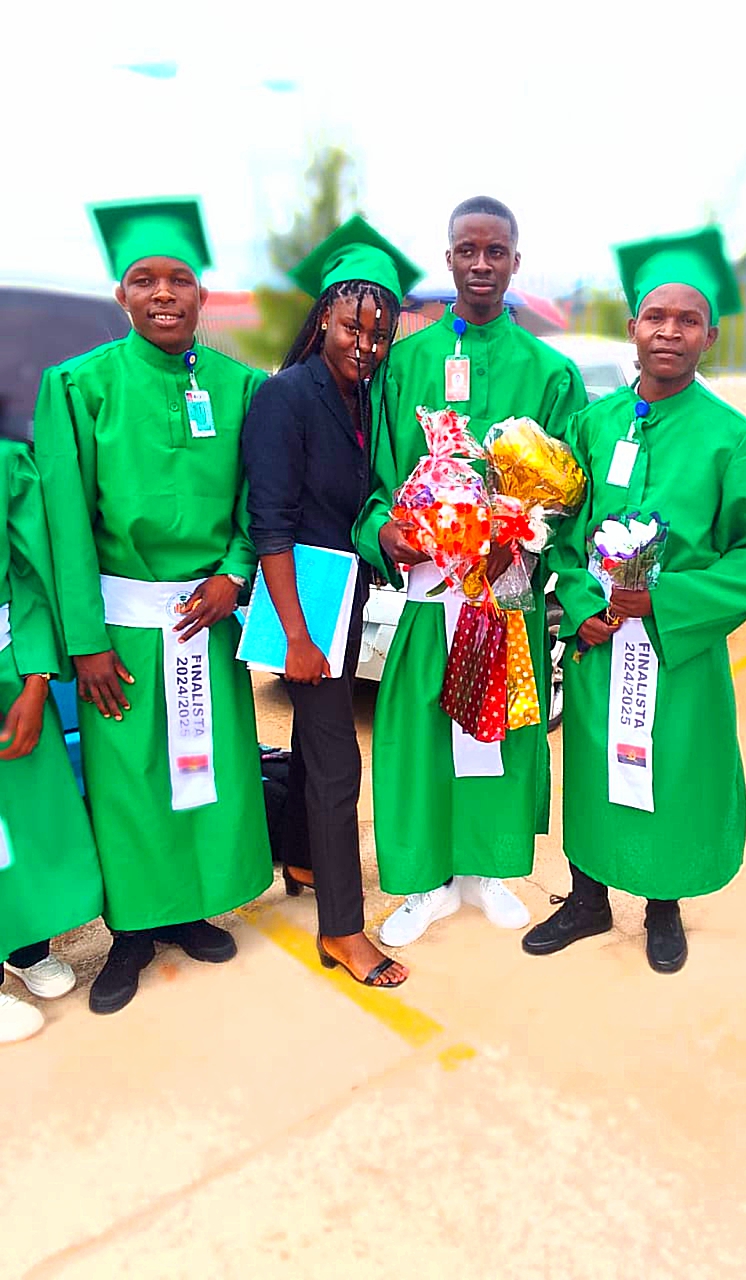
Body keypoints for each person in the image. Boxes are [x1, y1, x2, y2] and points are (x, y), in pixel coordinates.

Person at [522, 227, 746, 971]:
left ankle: (662, 904)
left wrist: (667, 601)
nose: (669, 331)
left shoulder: (734, 440)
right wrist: (584, 608)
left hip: (680, 650)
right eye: (655, 317)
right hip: (599, 645)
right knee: (593, 771)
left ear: (710, 335)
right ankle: (587, 899)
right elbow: (564, 529)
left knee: (670, 773)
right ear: (633, 327)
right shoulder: (593, 424)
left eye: (687, 320)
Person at [34, 198, 272, 1015]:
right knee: (130, 779)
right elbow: (64, 523)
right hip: (122, 629)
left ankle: (192, 905)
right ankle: (134, 930)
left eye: (179, 279)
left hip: (207, 619)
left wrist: (235, 574)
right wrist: (85, 641)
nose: (164, 293)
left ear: (203, 294)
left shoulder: (241, 387)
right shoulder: (79, 387)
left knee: (206, 771)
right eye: (145, 280)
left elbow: (259, 498)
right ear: (122, 295)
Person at [354, 196, 587, 946]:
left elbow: (569, 492)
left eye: (495, 251)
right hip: (429, 590)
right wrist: (385, 532)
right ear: (449, 258)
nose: (481, 264)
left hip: (505, 590)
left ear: (516, 261)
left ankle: (487, 871)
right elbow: (373, 478)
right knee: (420, 735)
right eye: (467, 250)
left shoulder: (551, 372)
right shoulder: (404, 364)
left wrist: (522, 540)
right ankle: (425, 881)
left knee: (503, 731)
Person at [242, 216, 424, 987]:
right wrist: (296, 635)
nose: (366, 345)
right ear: (323, 317)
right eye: (354, 326)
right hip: (305, 600)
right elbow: (270, 525)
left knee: (318, 745)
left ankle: (304, 861)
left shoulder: (365, 401)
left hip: (345, 597)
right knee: (337, 762)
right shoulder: (286, 397)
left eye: (380, 334)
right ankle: (343, 933)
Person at [0, 438, 103, 1042]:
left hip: (8, 664)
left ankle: (26, 944)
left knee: (28, 819)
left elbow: (30, 574)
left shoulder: (7, 463)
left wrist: (36, 679)